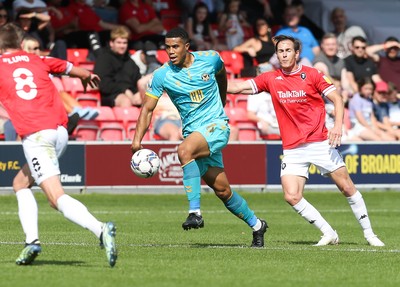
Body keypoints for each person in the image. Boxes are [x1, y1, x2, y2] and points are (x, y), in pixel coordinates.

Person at [227, 34, 385, 247]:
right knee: (291, 195)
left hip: (319, 142)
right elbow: (237, 88)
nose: (284, 54)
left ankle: (369, 234)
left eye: (288, 50)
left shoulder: (313, 75)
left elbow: (337, 99)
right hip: (293, 148)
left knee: (347, 187)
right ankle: (328, 232)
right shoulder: (271, 78)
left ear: (297, 53)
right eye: (280, 51)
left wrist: (337, 126)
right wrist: (211, 81)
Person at [131, 27, 268, 247]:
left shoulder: (211, 59)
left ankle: (195, 212)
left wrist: (221, 100)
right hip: (194, 133)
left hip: (216, 126)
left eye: (175, 46)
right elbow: (147, 109)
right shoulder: (162, 75)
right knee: (223, 191)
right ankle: (257, 225)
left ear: (187, 46)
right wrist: (136, 141)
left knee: (184, 151)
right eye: (167, 47)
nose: (171, 51)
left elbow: (222, 74)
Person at [0, 23, 117, 266]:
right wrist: (86, 75)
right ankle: (31, 241)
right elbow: (70, 68)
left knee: (55, 197)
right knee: (20, 183)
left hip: (37, 135)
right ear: (21, 44)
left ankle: (100, 229)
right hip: (60, 130)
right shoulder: (37, 59)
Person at [94, 26, 144, 107]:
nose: (122, 46)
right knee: (126, 101)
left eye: (124, 43)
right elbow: (103, 84)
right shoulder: (104, 59)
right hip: (110, 96)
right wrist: (125, 90)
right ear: (111, 43)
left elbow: (137, 80)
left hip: (131, 94)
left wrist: (138, 94)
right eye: (119, 42)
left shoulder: (130, 62)